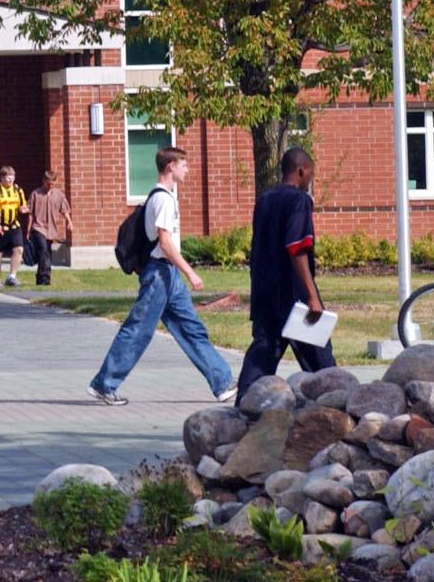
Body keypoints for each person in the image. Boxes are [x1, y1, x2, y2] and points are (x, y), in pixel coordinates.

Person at [87, 145, 236, 407]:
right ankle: (104, 384)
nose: (187, 169)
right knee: (138, 331)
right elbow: (165, 243)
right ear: (170, 167)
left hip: (168, 276)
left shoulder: (162, 197)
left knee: (192, 329)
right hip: (159, 274)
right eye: (184, 165)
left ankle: (222, 382)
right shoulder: (163, 199)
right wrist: (190, 272)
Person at [237, 148, 334, 394]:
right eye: (310, 174)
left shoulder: (264, 200)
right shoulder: (299, 201)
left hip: (264, 292)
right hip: (293, 295)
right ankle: (337, 409)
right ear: (301, 171)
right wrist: (311, 295)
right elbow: (297, 248)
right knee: (321, 362)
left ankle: (243, 409)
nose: (310, 180)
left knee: (263, 353)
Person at [24, 169, 73, 287]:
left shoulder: (59, 195)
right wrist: (28, 230)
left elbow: (65, 210)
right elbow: (30, 212)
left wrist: (69, 222)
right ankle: (45, 277)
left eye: (52, 184)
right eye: (48, 183)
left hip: (51, 230)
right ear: (44, 181)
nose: (50, 186)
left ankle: (41, 278)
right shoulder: (36, 194)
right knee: (43, 250)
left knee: (46, 253)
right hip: (38, 228)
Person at [0, 165, 27, 287]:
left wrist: (24, 209)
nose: (10, 181)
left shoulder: (18, 190)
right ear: (2, 178)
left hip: (14, 225)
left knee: (19, 249)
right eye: (8, 179)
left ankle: (12, 277)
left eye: (12, 178)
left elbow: (22, 205)